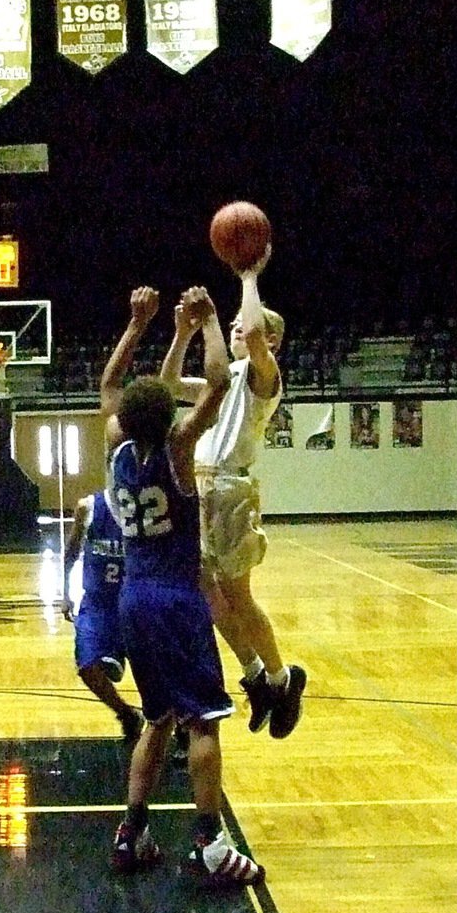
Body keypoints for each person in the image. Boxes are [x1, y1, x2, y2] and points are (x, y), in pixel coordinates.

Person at [102, 285, 264, 886]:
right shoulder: (177, 451)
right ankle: (209, 844)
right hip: (176, 599)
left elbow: (109, 384)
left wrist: (137, 325)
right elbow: (218, 384)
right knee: (203, 722)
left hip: (133, 600)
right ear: (169, 417)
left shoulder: (116, 450)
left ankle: (131, 832)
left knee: (157, 719)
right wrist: (211, 322)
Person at [159, 249, 306, 739]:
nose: (239, 330)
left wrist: (248, 276)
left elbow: (255, 333)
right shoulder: (222, 381)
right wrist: (182, 333)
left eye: (246, 328)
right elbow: (168, 383)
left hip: (229, 489)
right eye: (235, 327)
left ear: (271, 341)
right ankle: (255, 675)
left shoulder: (264, 377)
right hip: (200, 486)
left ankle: (284, 678)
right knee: (204, 591)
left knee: (239, 596)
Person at [62, 491, 144, 742]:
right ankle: (126, 714)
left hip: (135, 603)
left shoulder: (145, 509)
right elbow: (71, 551)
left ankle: (179, 723)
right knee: (87, 665)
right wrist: (65, 593)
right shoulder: (88, 507)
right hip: (98, 604)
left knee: (155, 672)